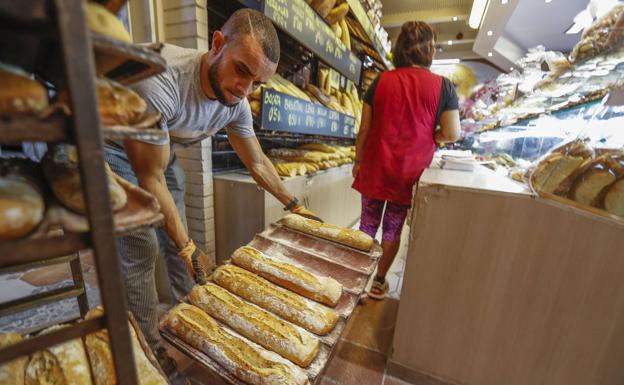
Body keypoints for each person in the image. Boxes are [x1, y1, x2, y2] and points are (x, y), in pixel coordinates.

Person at [103, 8, 320, 380]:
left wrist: (294, 205)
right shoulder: (162, 80)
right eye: (242, 71)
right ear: (217, 44)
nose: (245, 89)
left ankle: (192, 320)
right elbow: (150, 179)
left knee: (179, 238)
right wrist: (188, 248)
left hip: (159, 147)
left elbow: (258, 164)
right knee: (142, 246)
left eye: (257, 83)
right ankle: (149, 348)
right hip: (114, 146)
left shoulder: (235, 102)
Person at [351, 21, 460, 300]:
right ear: (430, 50)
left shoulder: (381, 81)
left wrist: (358, 159)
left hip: (376, 166)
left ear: (400, 49)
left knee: (367, 224)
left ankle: (356, 277)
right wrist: (433, 137)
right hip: (408, 172)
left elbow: (364, 128)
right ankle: (378, 281)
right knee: (393, 227)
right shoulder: (444, 87)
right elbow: (452, 132)